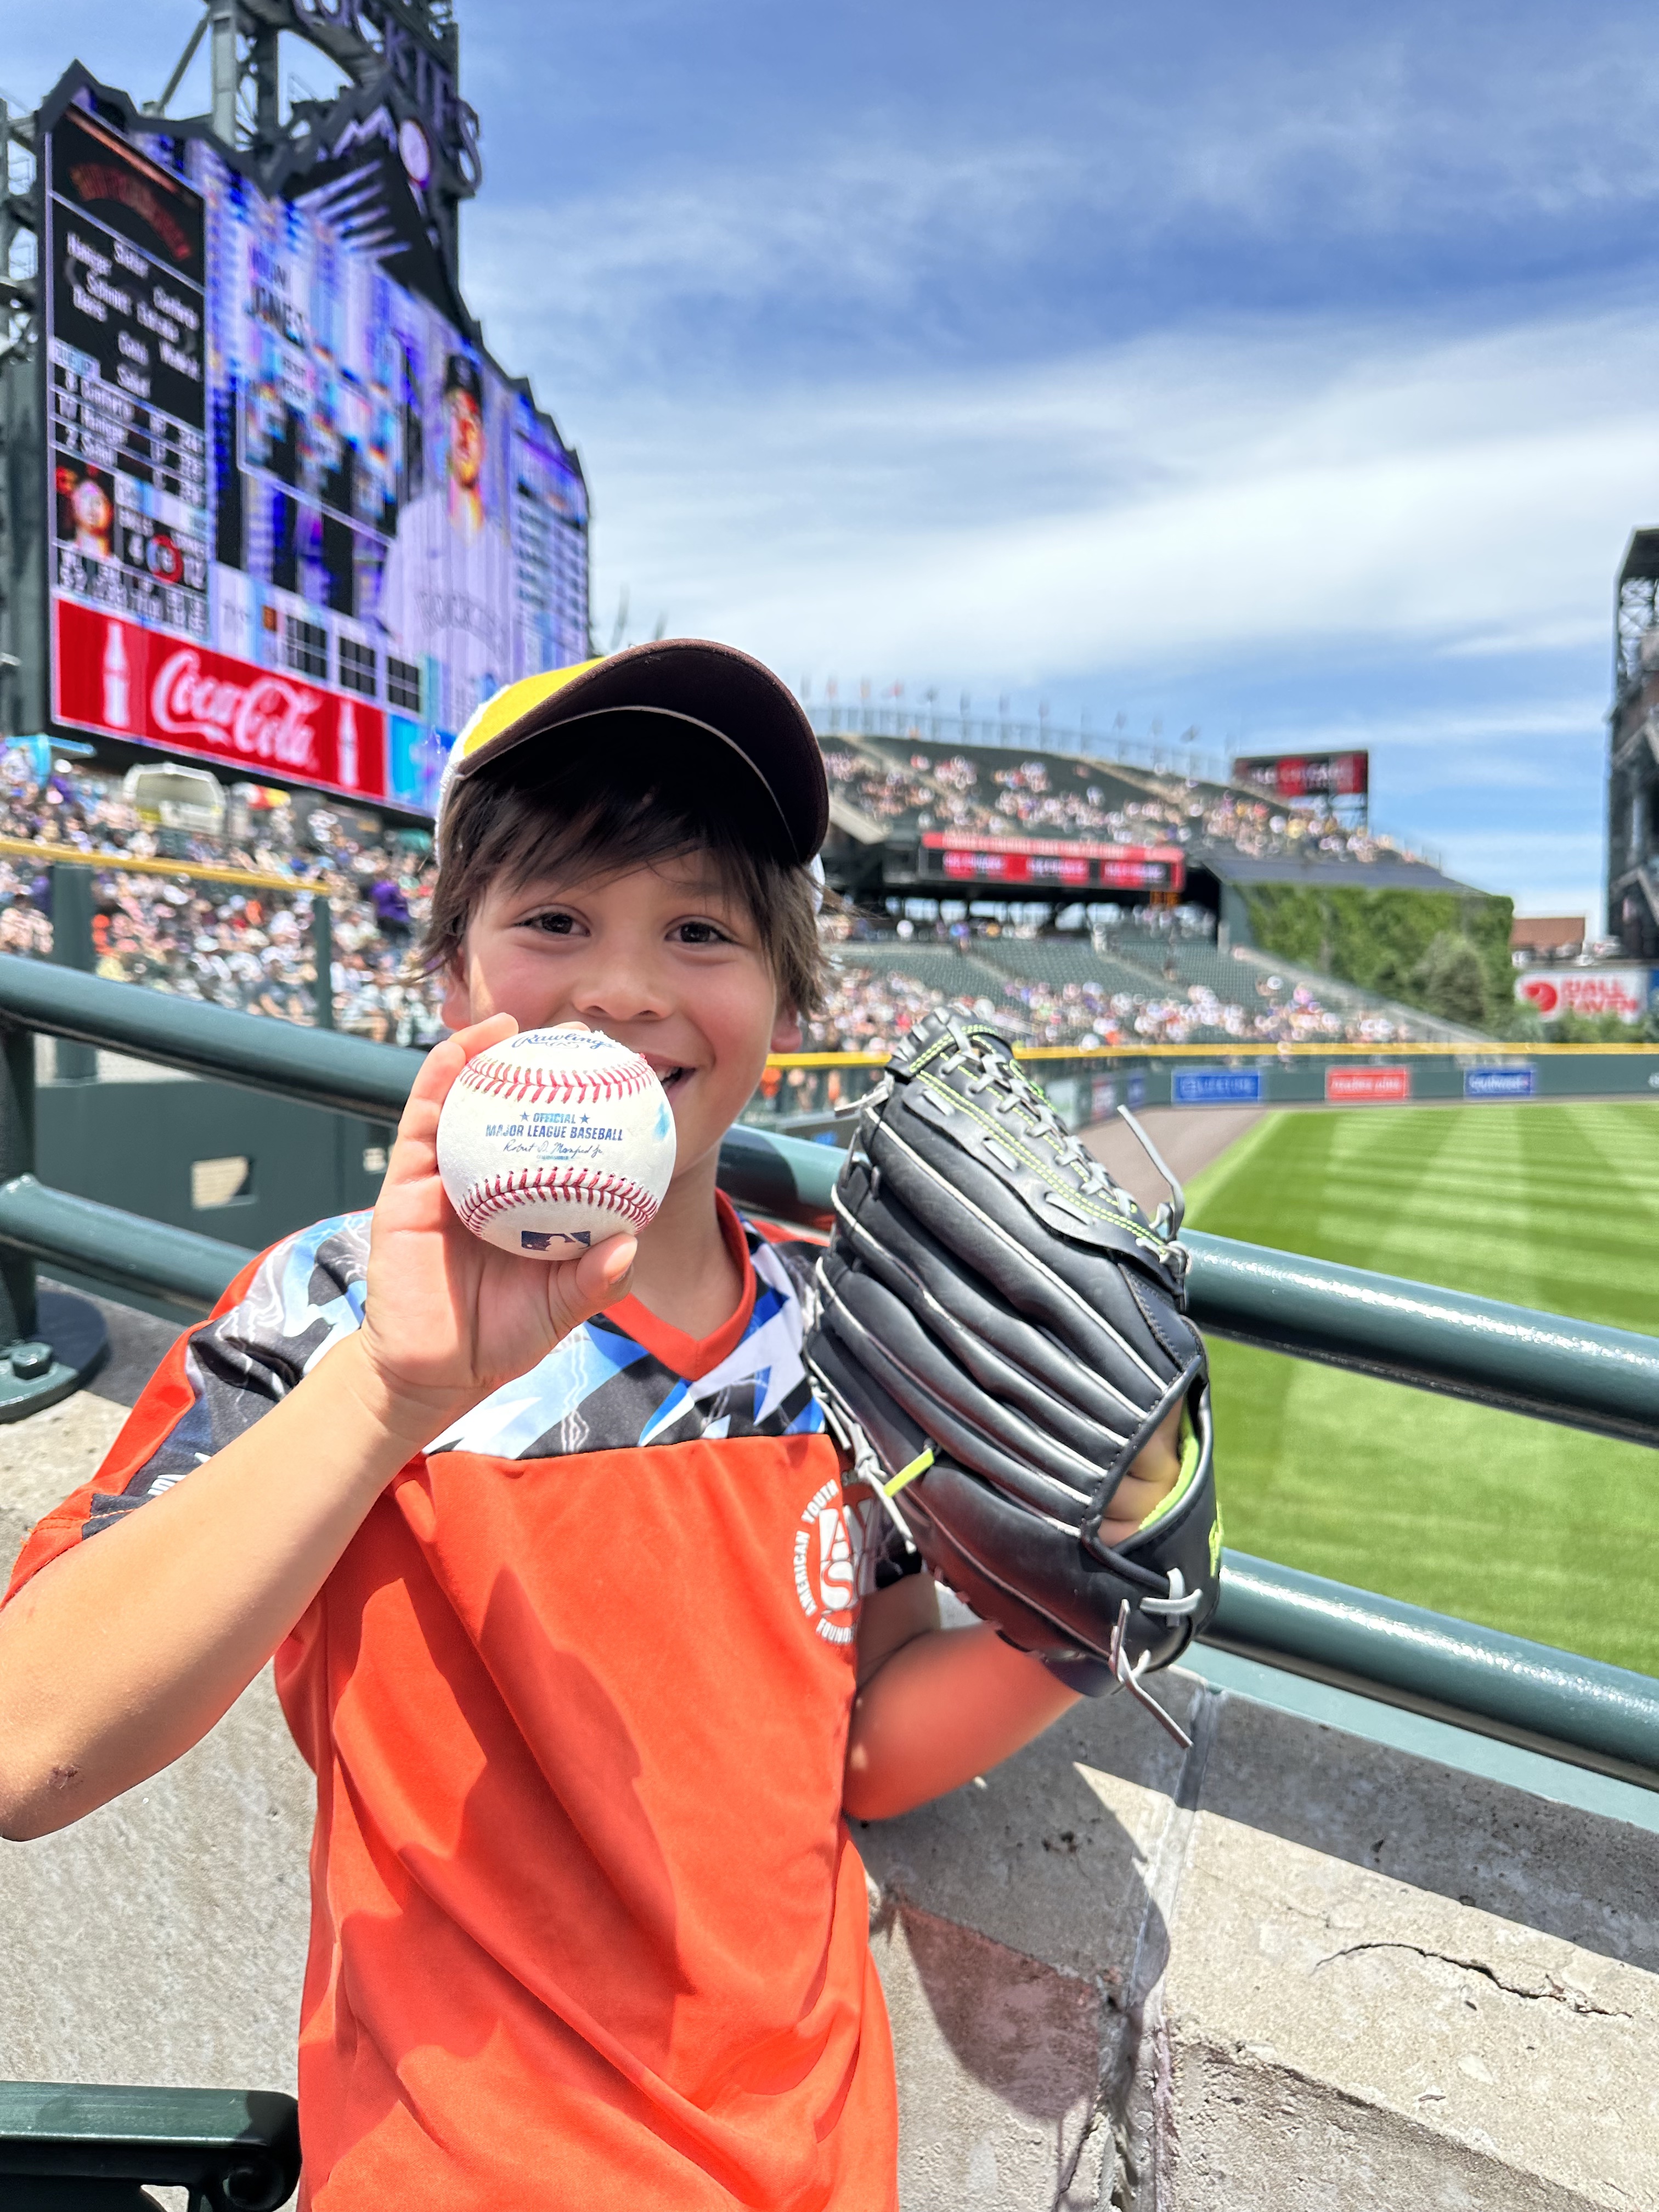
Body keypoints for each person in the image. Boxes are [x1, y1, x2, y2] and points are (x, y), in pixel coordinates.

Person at [0, 642, 1183, 2210]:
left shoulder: (841, 1339)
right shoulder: (326, 1315)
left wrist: (1094, 1601)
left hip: (815, 2174)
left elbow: (862, 1734)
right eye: (556, 920)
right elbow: (29, 1747)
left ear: (780, 1001)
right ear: (452, 980)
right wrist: (390, 1394)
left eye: (701, 930)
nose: (628, 986)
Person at [374, 351, 515, 735]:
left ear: (484, 437)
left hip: (483, 752)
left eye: (474, 420)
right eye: (455, 415)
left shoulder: (502, 556)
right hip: (415, 739)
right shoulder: (416, 523)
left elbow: (511, 684)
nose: (464, 433)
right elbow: (392, 641)